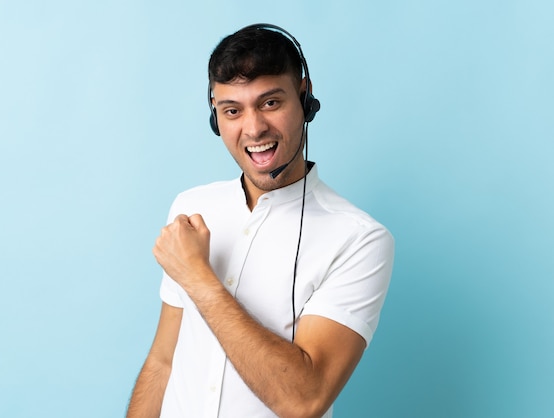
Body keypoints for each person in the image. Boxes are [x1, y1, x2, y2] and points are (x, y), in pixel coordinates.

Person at [126, 23, 394, 418]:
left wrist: (198, 277)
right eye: (232, 111)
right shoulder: (192, 207)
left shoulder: (359, 239)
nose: (253, 129)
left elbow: (303, 400)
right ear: (216, 118)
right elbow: (163, 361)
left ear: (305, 99)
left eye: (270, 103)